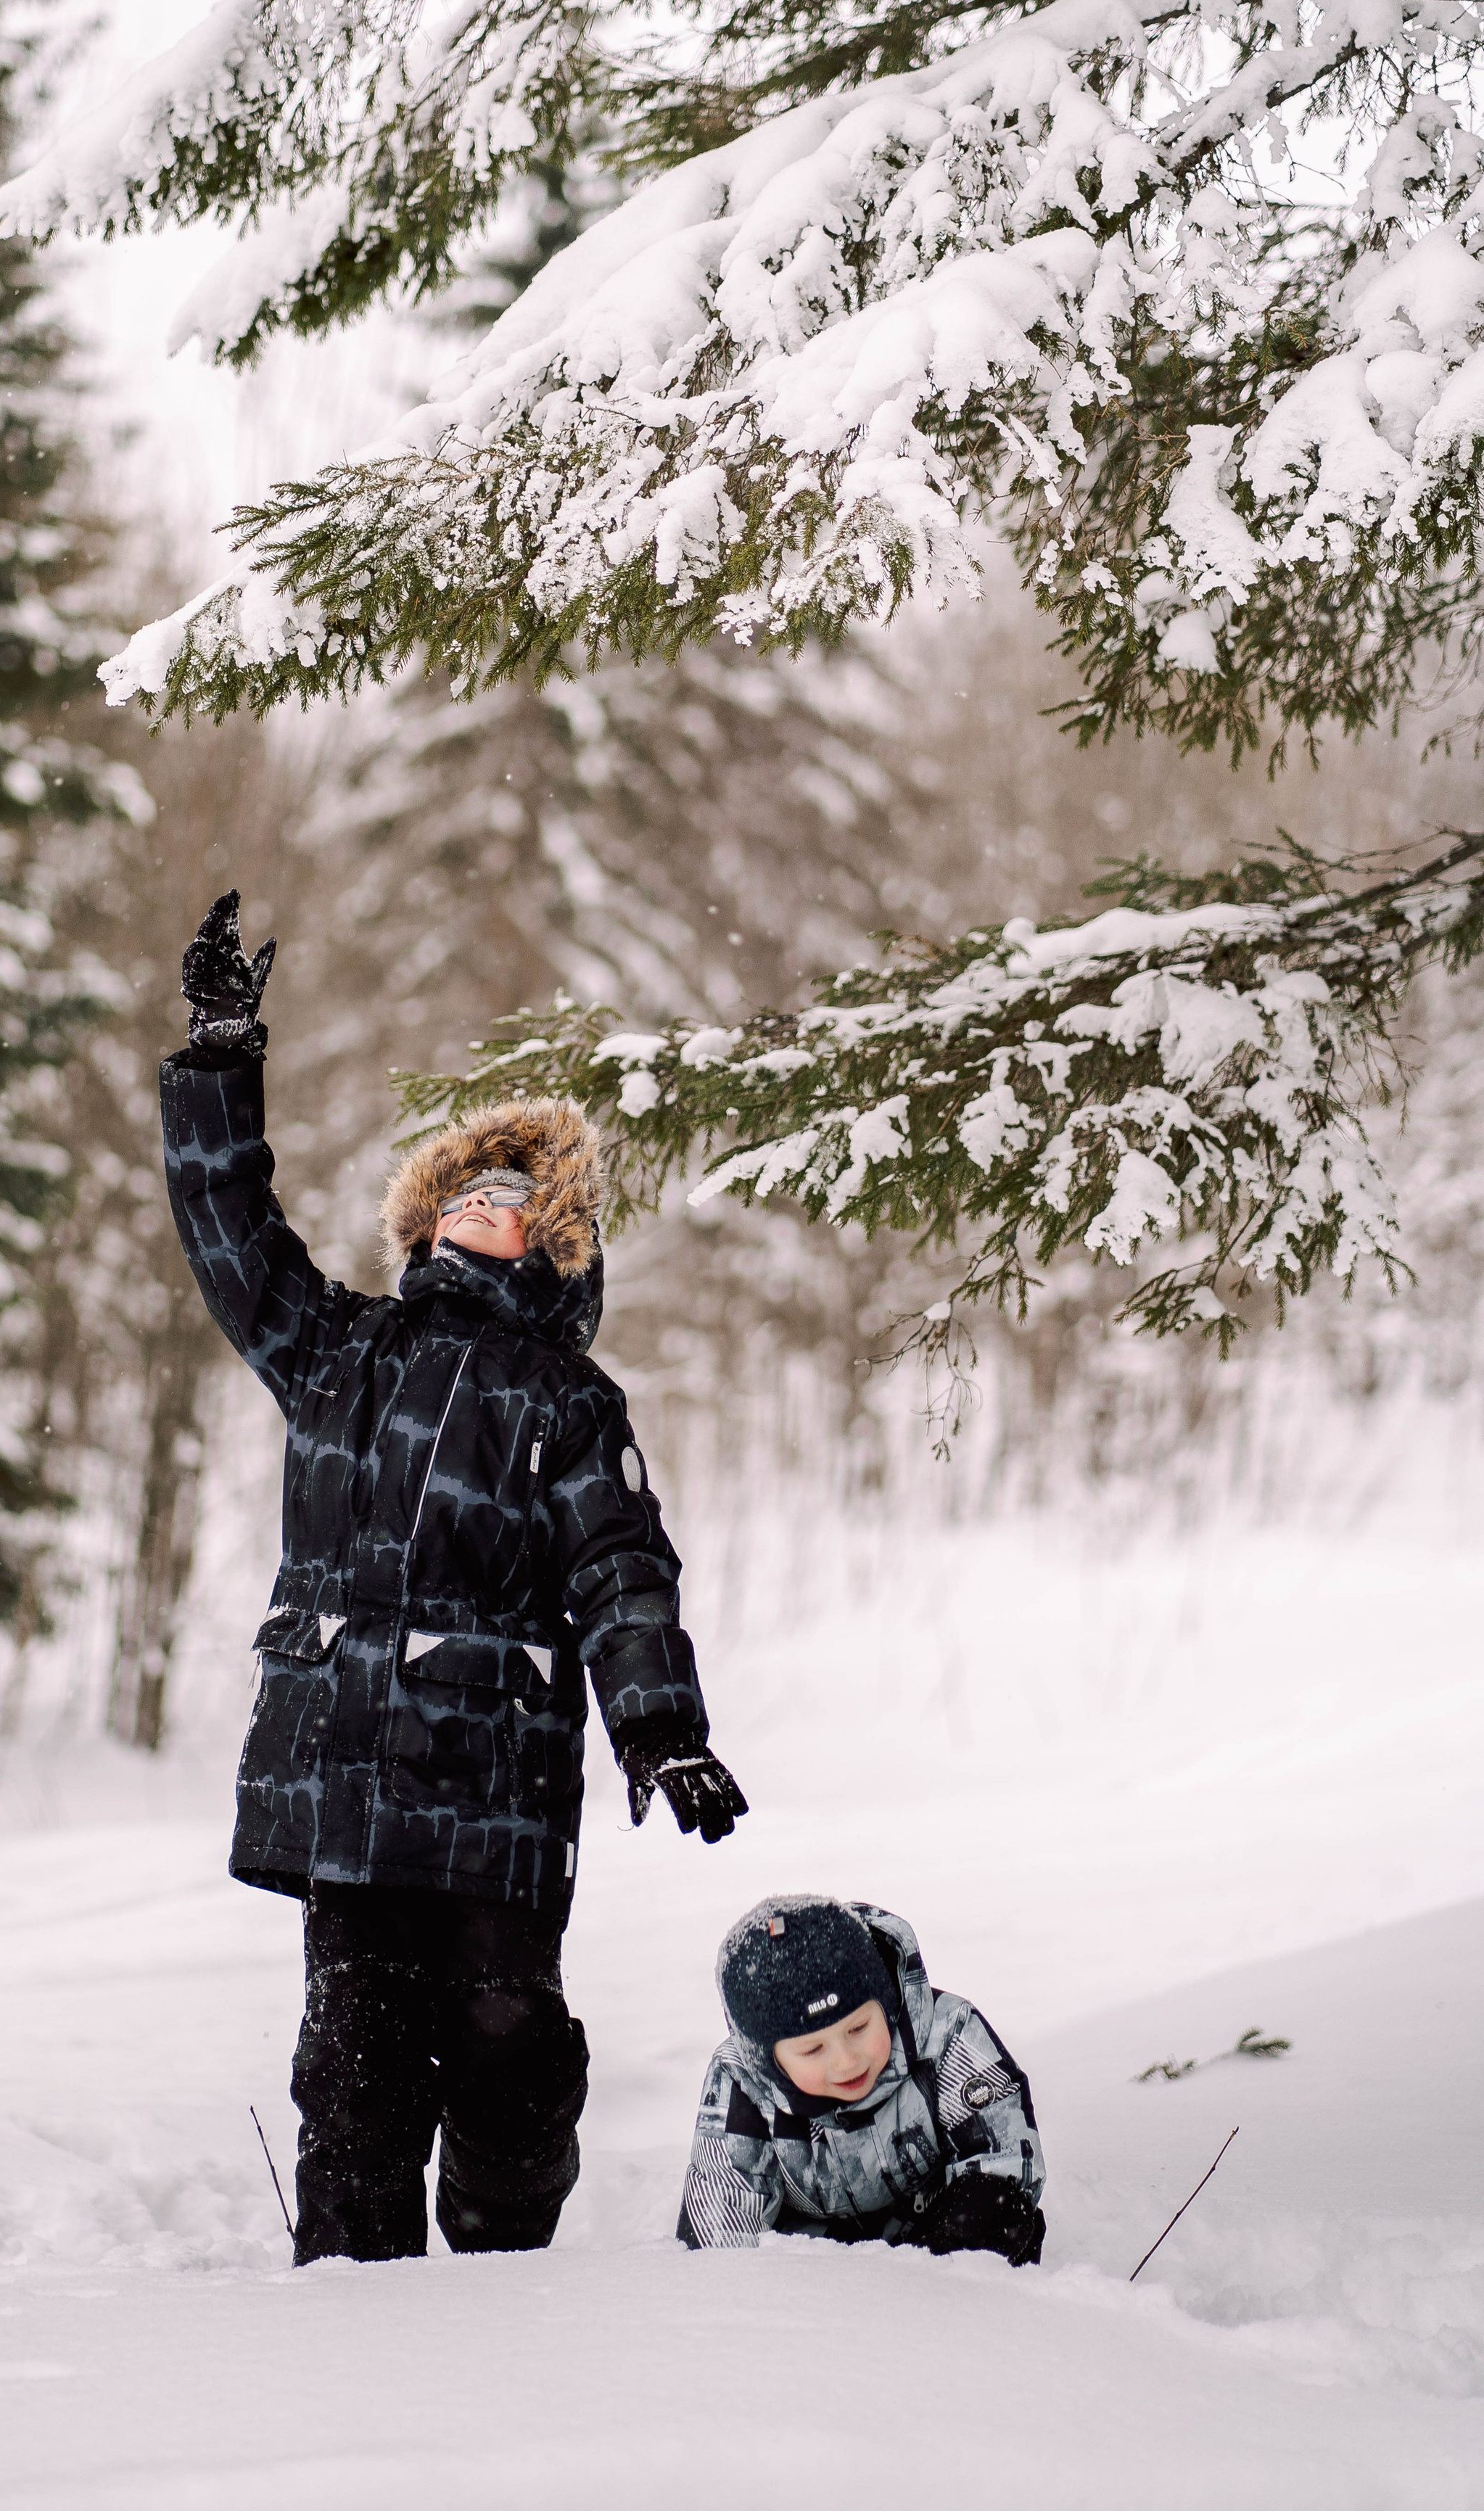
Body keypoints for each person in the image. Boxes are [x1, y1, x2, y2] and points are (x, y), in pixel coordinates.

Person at [161, 891, 748, 2264]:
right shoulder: (335, 1350)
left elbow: (620, 1567)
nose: (491, 1207)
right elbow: (229, 1231)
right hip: (350, 1776)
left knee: (512, 2060)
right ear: (428, 1220)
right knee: (355, 2072)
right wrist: (218, 1059)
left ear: (552, 1242)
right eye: (469, 1190)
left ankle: (501, 2288)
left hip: (491, 1786)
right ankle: (353, 2314)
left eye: (519, 1198)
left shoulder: (566, 1396)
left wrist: (661, 1731)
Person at [677, 1895, 1045, 2261]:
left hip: (935, 2232)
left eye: (858, 2028)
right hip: (814, 2261)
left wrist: (942, 2264)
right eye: (812, 2050)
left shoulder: (948, 2034)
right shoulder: (741, 2082)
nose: (846, 2061)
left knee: (998, 2207)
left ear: (884, 2004)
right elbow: (721, 2222)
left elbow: (1005, 2158)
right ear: (767, 2059)